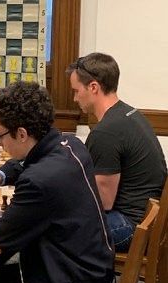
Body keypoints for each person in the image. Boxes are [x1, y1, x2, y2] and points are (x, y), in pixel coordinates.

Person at [0, 81, 114, 283]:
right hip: (91, 276)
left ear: (21, 134)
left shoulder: (39, 181)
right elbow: (24, 163)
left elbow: (3, 236)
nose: (0, 145)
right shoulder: (71, 146)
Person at [67, 52, 167, 252]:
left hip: (130, 225)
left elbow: (102, 201)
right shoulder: (130, 114)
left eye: (77, 91)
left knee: (55, 230)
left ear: (93, 87)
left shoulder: (106, 132)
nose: (75, 97)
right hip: (149, 220)